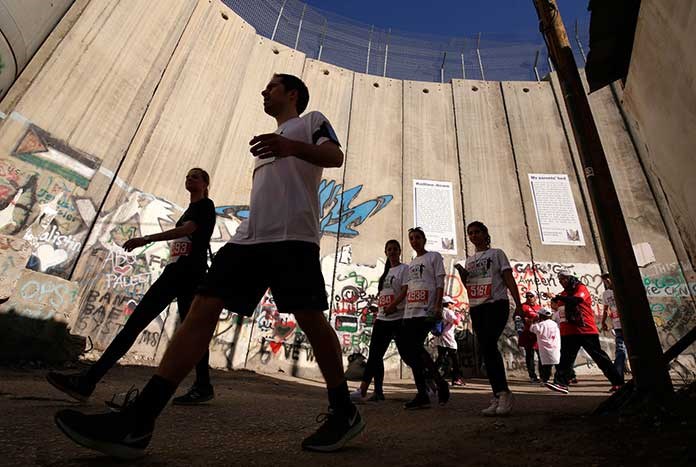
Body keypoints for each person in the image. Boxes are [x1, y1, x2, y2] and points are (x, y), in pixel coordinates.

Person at [53, 73, 364, 458]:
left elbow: (335, 157)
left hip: (293, 237)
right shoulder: (267, 143)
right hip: (249, 238)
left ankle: (343, 409)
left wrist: (289, 146)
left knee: (311, 320)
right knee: (201, 309)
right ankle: (139, 421)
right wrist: (279, 148)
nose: (263, 92)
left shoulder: (311, 121)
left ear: (292, 93)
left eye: (271, 87)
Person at [47, 168, 217, 405]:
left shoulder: (205, 206)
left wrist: (146, 239)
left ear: (206, 184)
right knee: (169, 330)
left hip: (188, 275)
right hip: (177, 273)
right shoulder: (190, 209)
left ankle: (88, 381)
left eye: (196, 176)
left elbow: (187, 231)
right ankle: (203, 385)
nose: (189, 178)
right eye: (187, 175)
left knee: (174, 331)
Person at [454, 221, 520, 416]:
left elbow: (508, 279)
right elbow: (471, 288)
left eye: (477, 232)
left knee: (490, 345)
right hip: (477, 307)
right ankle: (497, 395)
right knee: (486, 349)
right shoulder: (469, 261)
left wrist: (520, 305)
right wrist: (463, 276)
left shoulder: (497, 254)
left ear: (485, 233)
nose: (473, 236)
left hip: (496, 304)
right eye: (470, 233)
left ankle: (505, 393)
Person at [545, 269, 624, 394]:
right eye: (560, 280)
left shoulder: (581, 289)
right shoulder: (563, 294)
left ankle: (618, 383)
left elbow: (576, 300)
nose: (562, 281)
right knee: (565, 359)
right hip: (569, 332)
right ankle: (561, 383)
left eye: (564, 278)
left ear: (571, 278)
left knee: (599, 357)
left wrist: (557, 297)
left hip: (585, 330)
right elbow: (559, 305)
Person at [351, 240, 408, 403]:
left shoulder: (404, 269)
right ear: (386, 252)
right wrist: (379, 307)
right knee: (375, 355)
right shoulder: (386, 272)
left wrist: (394, 305)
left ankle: (430, 385)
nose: (392, 252)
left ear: (399, 251)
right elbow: (385, 293)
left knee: (409, 355)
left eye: (395, 249)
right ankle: (371, 391)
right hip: (382, 318)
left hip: (398, 318)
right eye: (389, 249)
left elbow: (405, 290)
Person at [400, 227, 450, 410]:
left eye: (418, 237)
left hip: (426, 310)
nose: (414, 241)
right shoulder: (412, 263)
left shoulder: (434, 257)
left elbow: (439, 283)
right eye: (411, 238)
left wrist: (437, 305)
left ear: (424, 239)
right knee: (412, 351)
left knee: (415, 348)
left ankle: (433, 385)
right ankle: (427, 390)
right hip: (410, 311)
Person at [601, 273, 627, 387]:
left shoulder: (623, 288)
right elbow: (606, 309)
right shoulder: (606, 294)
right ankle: (618, 381)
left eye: (608, 279)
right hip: (617, 326)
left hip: (628, 325)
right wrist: (603, 321)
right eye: (604, 280)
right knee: (620, 351)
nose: (606, 282)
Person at [435, 296, 465, 386]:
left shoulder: (440, 311)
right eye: (452, 303)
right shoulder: (448, 312)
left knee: (441, 358)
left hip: (440, 338)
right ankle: (456, 379)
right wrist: (459, 316)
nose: (453, 305)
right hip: (448, 338)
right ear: (448, 304)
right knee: (455, 359)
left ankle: (432, 377)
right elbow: (456, 322)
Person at [529, 308, 560, 383]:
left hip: (545, 348)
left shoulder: (540, 325)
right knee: (557, 364)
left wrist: (533, 322)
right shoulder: (555, 324)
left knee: (546, 366)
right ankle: (557, 380)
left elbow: (532, 329)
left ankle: (545, 380)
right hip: (555, 347)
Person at [517, 291, 541, 383]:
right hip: (527, 334)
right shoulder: (523, 307)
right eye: (527, 296)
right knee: (529, 355)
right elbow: (517, 318)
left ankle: (543, 375)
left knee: (540, 355)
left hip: (537, 335)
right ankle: (532, 376)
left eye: (531, 296)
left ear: (535, 297)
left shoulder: (539, 308)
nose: (529, 298)